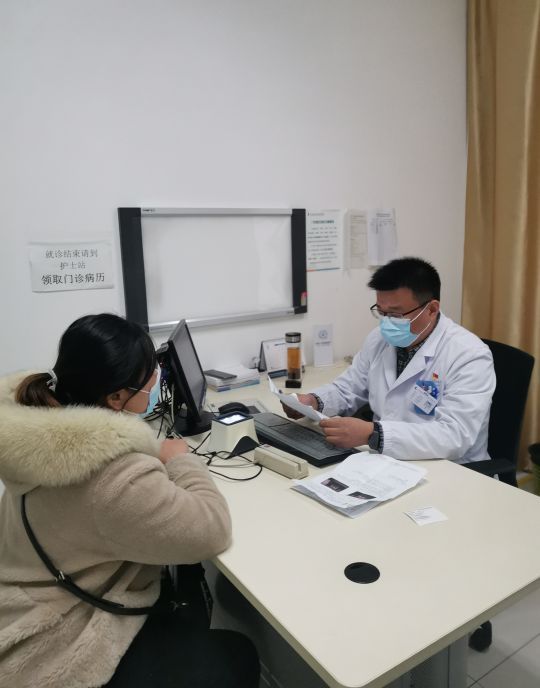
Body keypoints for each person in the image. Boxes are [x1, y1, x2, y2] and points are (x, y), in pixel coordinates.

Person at [0, 313, 259, 688]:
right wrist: (181, 461)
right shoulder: (111, 474)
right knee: (237, 653)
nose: (156, 378)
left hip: (25, 602)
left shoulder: (38, 434)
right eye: (148, 375)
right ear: (116, 397)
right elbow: (213, 530)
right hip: (63, 636)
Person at [283, 257, 495, 463]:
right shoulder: (379, 339)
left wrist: (374, 433)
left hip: (451, 468)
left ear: (431, 309)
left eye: (395, 314)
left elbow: (455, 436)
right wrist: (313, 401)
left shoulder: (469, 355)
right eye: (381, 312)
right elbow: (349, 387)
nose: (387, 323)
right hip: (388, 460)